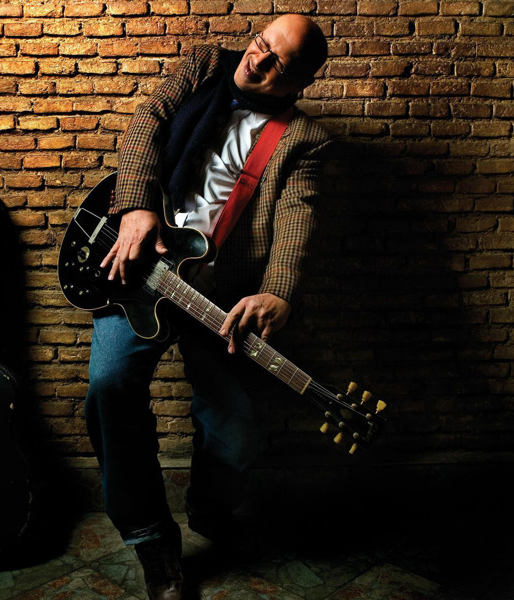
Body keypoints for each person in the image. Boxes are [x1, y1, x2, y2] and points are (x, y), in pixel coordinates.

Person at [84, 14, 331, 600]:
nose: (256, 61)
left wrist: (279, 291)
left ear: (300, 83)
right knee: (110, 386)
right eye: (260, 44)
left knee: (237, 425)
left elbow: (298, 216)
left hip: (219, 295)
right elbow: (146, 121)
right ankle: (150, 537)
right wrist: (136, 208)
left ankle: (211, 509)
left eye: (276, 64)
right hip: (143, 265)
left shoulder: (305, 139)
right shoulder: (204, 64)